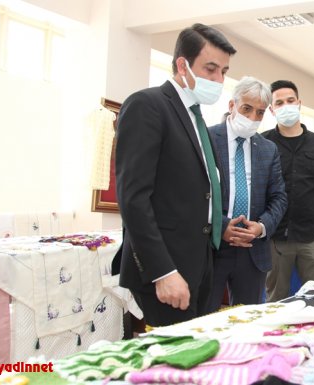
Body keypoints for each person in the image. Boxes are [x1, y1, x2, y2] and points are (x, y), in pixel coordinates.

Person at [113, 24, 236, 326]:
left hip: (200, 264)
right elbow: (133, 199)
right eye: (210, 69)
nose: (218, 80)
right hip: (166, 272)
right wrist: (162, 272)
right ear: (183, 64)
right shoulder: (148, 106)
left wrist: (219, 225)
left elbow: (192, 191)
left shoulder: (196, 118)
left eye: (224, 71)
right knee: (165, 367)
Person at [205, 77, 287, 311]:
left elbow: (279, 197)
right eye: (246, 109)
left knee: (246, 320)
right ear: (232, 105)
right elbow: (194, 193)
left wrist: (261, 227)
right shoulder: (207, 139)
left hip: (253, 251)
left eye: (260, 113)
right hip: (212, 245)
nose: (252, 118)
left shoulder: (268, 149)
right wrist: (221, 226)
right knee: (203, 319)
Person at [263, 80, 314, 302]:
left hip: (313, 236)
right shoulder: (264, 143)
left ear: (299, 103)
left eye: (290, 100)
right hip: (275, 237)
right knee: (275, 301)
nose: (285, 106)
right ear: (271, 109)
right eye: (279, 103)